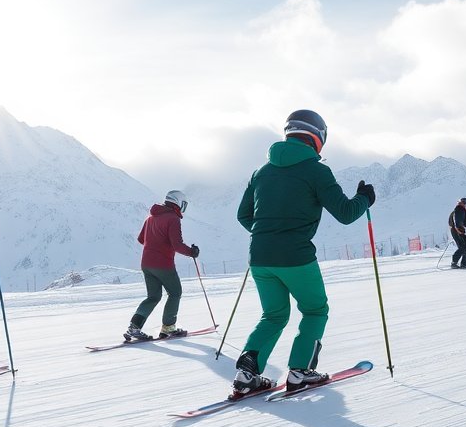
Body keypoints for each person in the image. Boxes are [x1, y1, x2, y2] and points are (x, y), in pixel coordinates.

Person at [231, 109, 374, 397]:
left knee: (273, 315)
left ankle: (247, 372)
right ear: (318, 137)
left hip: (259, 256)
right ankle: (300, 371)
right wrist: (365, 198)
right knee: (315, 309)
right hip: (296, 255)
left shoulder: (261, 172)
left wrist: (268, 232)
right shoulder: (316, 170)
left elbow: (243, 216)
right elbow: (346, 214)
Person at [124, 190, 200, 341]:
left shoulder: (150, 217)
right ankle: (168, 328)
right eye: (183, 205)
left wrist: (155, 241)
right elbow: (177, 245)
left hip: (146, 263)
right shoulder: (173, 218)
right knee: (175, 292)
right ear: (178, 202)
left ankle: (134, 327)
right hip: (163, 264)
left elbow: (141, 239)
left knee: (153, 297)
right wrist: (192, 252)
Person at [448, 197, 466, 269]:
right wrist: (459, 229)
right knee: (465, 245)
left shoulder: (462, 210)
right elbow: (457, 222)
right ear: (463, 204)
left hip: (457, 230)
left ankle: (463, 263)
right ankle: (454, 262)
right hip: (457, 230)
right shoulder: (459, 209)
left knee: (464, 246)